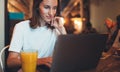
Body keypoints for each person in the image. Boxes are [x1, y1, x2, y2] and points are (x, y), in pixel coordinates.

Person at [7, 0, 67, 71]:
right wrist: (39, 61)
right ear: (37, 7)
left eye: (54, 8)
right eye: (46, 7)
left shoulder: (57, 29)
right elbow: (10, 62)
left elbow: (69, 57)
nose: (51, 13)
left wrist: (61, 29)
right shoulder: (21, 27)